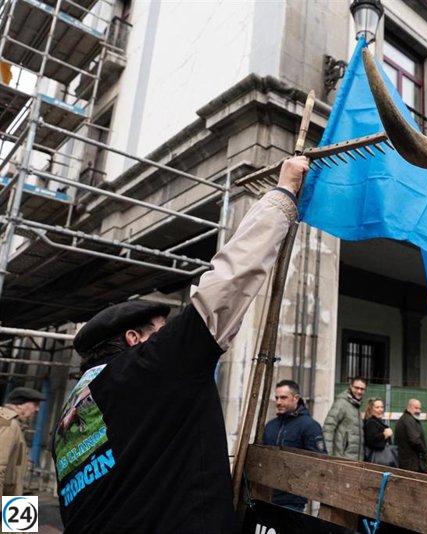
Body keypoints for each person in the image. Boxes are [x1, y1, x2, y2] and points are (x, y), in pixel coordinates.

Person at [51, 156, 309, 532]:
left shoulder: (66, 419)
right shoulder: (147, 369)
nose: (168, 335)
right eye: (160, 330)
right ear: (134, 338)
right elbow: (227, 285)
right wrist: (283, 193)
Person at [262, 379, 326, 512]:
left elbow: (320, 462)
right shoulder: (270, 426)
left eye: (283, 397)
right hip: (265, 496)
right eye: (277, 398)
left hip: (293, 500)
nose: (278, 402)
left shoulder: (309, 426)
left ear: (296, 398)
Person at [1, 387, 46, 494]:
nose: (37, 409)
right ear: (20, 405)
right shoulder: (9, 424)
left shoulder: (16, 424)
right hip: (8, 495)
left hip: (13, 493)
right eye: (35, 404)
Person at [323, 377, 366, 460]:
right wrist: (328, 456)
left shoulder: (356, 405)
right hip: (342, 458)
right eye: (356, 388)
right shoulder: (341, 403)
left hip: (354, 460)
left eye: (362, 389)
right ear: (350, 386)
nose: (359, 391)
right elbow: (328, 428)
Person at [395, 399, 427, 472]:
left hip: (408, 462)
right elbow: (415, 440)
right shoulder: (409, 420)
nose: (418, 411)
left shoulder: (406, 419)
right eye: (416, 408)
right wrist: (424, 451)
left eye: (419, 408)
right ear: (408, 408)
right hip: (412, 464)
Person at [363, 398, 396, 467]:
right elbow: (371, 441)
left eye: (382, 407)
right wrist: (384, 435)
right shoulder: (371, 423)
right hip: (376, 461)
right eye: (377, 407)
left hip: (380, 461)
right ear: (371, 409)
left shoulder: (377, 422)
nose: (381, 409)